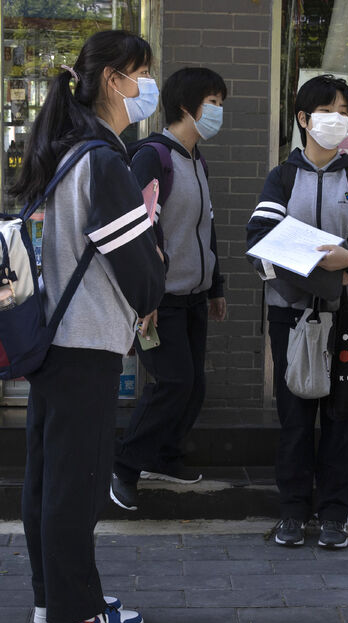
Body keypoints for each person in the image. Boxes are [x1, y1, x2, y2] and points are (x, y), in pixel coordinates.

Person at [9, 30, 165, 623]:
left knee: (50, 475)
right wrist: (154, 282)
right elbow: (139, 270)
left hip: (52, 339)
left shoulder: (67, 151)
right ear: (113, 80)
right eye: (142, 73)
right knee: (77, 481)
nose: (147, 85)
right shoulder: (103, 160)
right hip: (85, 341)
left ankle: (52, 597)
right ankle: (78, 613)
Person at [246, 75, 348, 549]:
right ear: (303, 119)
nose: (336, 119)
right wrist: (325, 272)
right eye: (327, 111)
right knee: (295, 417)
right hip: (291, 317)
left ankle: (334, 515)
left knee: (342, 420)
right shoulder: (282, 177)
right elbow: (260, 244)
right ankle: (292, 512)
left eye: (344, 112)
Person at [109, 67, 228, 510]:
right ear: (185, 106)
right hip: (160, 300)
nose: (218, 111)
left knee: (193, 385)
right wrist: (146, 296)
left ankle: (163, 455)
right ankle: (124, 467)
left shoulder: (197, 161)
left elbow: (205, 228)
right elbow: (139, 232)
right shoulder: (153, 157)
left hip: (193, 296)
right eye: (213, 103)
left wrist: (215, 286)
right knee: (172, 382)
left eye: (220, 103)